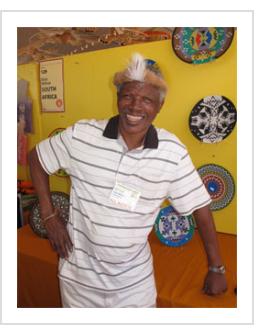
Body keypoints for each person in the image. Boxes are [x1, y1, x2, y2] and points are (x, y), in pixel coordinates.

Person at [29, 53, 227, 308]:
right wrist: (48, 215)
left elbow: (200, 206)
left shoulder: (172, 152)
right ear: (118, 99)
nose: (135, 107)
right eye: (128, 96)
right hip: (78, 281)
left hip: (134, 285)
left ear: (159, 106)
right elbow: (37, 157)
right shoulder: (82, 135)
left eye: (146, 99)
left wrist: (217, 267)